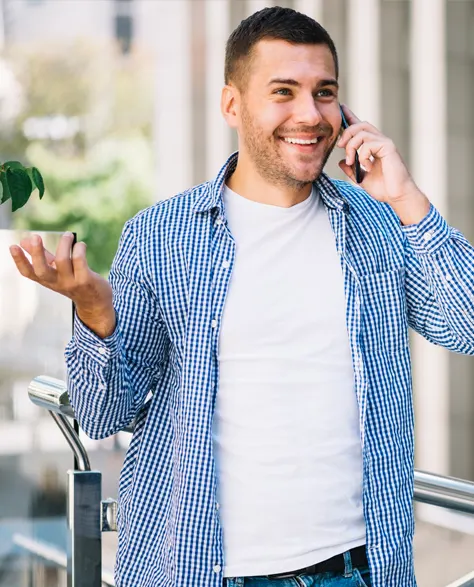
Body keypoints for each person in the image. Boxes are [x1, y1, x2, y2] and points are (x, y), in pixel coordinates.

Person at [9, 6, 474, 587]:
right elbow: (105, 414)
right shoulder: (162, 235)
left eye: (325, 92)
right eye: (284, 91)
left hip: (357, 570)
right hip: (203, 572)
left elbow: (467, 323)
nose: (310, 114)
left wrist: (407, 199)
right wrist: (95, 315)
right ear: (232, 105)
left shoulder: (380, 227)